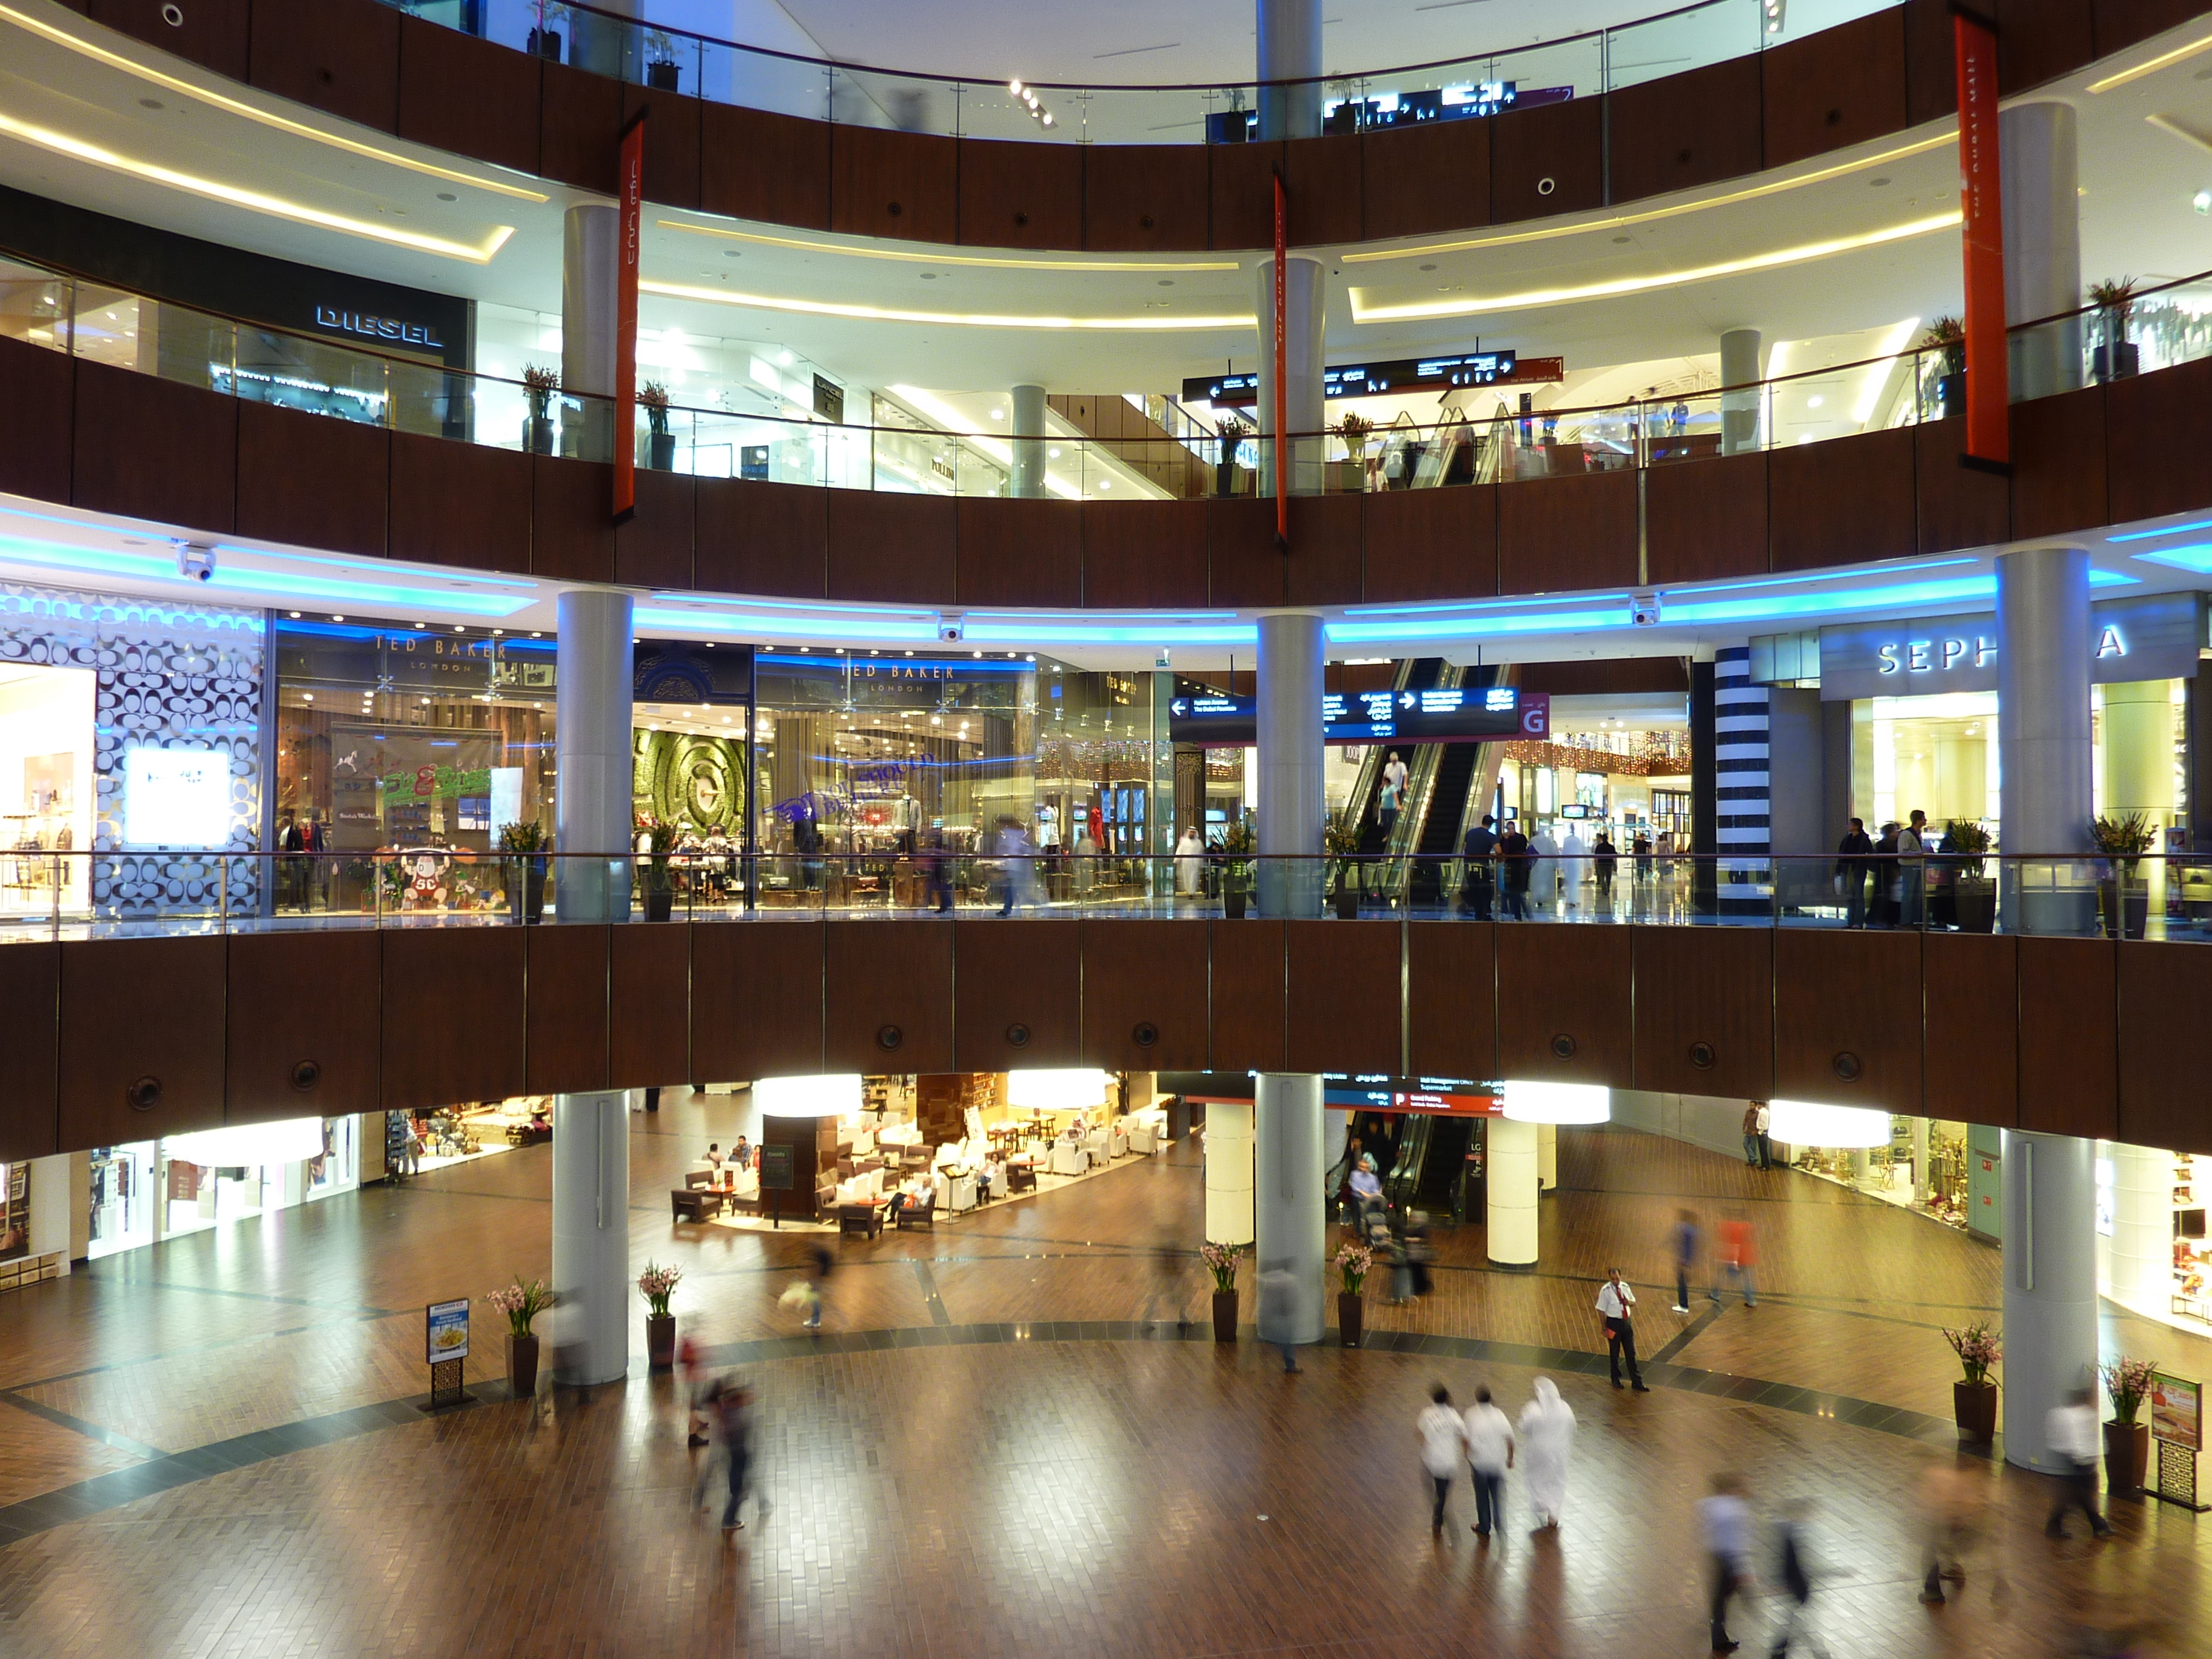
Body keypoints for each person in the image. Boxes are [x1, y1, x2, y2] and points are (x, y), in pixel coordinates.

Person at [2046, 1387, 2113, 1539]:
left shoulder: (2063, 1414)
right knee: (2080, 1496)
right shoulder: (2074, 1415)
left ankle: (2056, 1526)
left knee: (2078, 1497)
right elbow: (2078, 1440)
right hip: (2077, 1460)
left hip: (2079, 1460)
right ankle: (2097, 1525)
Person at [1770, 1497, 1829, 1658]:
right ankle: (1819, 1653)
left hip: (1798, 1585)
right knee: (1802, 1622)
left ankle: (1780, 1652)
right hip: (1798, 1586)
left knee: (1797, 1621)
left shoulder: (1789, 1532)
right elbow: (1792, 1562)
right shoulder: (1793, 1535)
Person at [1701, 1472, 1753, 1654]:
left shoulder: (1708, 1505)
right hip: (1731, 1558)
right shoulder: (1736, 1510)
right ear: (1731, 1489)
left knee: (1719, 1598)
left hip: (1716, 1554)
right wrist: (1742, 1569)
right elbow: (1737, 1542)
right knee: (1724, 1596)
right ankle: (1718, 1637)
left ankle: (1718, 1635)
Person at [1517, 1376, 1575, 1529]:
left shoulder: (1533, 1409)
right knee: (1557, 1481)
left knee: (1537, 1478)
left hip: (1538, 1453)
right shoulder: (1565, 1408)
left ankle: (1541, 1502)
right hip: (1560, 1453)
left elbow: (1523, 1427)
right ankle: (1554, 1513)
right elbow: (1572, 1426)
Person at [1463, 1383, 1515, 1541]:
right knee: (1498, 1494)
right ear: (1490, 1398)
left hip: (1479, 1463)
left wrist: (1467, 1454)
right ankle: (1500, 1523)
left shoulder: (1470, 1414)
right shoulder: (1499, 1414)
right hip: (1497, 1463)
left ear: (1477, 1398)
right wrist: (1510, 1458)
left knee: (1482, 1495)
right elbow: (1510, 1438)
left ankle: (1484, 1526)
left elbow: (1465, 1438)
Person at [1418, 1384, 1467, 1532]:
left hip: (1431, 1460)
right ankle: (1438, 1518)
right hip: (1449, 1462)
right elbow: (1465, 1437)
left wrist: (1426, 1443)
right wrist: (1466, 1453)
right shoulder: (1454, 1415)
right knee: (1443, 1491)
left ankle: (1437, 1513)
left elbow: (1419, 1432)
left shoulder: (1427, 1413)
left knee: (1430, 1484)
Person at [1596, 1267, 1648, 1391]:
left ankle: (1637, 1382)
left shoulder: (1625, 1287)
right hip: (1613, 1324)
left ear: (1621, 1277)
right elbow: (1601, 1310)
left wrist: (1628, 1302)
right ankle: (1616, 1379)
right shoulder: (1605, 1291)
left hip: (1626, 1323)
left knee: (1631, 1353)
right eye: (1613, 1279)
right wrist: (1604, 1328)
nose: (1615, 1281)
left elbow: (1633, 1302)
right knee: (1614, 1352)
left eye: (1617, 1279)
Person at [1256, 1261, 1300, 1373]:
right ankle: (1290, 1365)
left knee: (1283, 1342)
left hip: (1270, 1318)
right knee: (1286, 1342)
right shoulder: (1288, 1281)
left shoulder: (1270, 1281)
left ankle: (1288, 1364)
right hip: (1280, 1318)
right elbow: (1289, 1303)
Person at [1712, 1210, 1757, 1307]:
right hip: (1747, 1258)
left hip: (1734, 1258)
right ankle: (1751, 1300)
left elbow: (1722, 1234)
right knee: (1747, 1280)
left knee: (1725, 1276)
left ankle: (1715, 1294)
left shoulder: (1729, 1226)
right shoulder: (1749, 1227)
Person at [1834, 817, 1873, 928]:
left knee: (1858, 896)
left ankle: (1858, 922)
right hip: (1848, 869)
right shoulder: (1847, 838)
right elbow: (1841, 855)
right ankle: (1851, 921)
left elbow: (1869, 853)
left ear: (1856, 826)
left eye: (1850, 825)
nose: (1848, 826)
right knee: (1850, 896)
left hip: (1858, 869)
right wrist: (1839, 869)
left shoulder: (1863, 839)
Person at [1461, 814, 1498, 920]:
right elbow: (1499, 851)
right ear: (1491, 825)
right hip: (1482, 866)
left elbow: (1465, 848)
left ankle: (1478, 913)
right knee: (1486, 890)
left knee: (1474, 890)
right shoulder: (1491, 836)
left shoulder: (1470, 833)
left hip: (1468, 865)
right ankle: (1485, 913)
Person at [1898, 809, 1928, 929]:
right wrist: (1920, 853)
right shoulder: (1906, 834)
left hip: (1916, 867)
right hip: (1909, 867)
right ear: (1918, 820)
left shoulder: (1917, 834)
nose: (1925, 820)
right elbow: (1903, 852)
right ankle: (1906, 921)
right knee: (1909, 895)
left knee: (1916, 895)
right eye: (1923, 818)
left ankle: (1915, 920)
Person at [1496, 819, 1532, 919]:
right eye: (1509, 829)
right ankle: (1519, 914)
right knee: (1513, 893)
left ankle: (1523, 914)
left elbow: (1520, 849)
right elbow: (1505, 852)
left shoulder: (1521, 838)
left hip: (1520, 867)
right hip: (1511, 867)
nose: (1511, 831)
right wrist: (1506, 840)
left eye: (1512, 828)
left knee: (1519, 893)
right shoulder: (1505, 840)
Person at [1671, 1208, 1700, 1314]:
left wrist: (1681, 1261)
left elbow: (1681, 1245)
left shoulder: (1683, 1228)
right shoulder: (1694, 1229)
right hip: (1688, 1260)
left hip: (1684, 1260)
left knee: (1682, 1282)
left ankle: (1683, 1305)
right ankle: (1684, 1303)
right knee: (1683, 1281)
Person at [1529, 824, 1559, 914]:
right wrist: (1556, 865)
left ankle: (1537, 898)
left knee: (1536, 882)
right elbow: (1553, 853)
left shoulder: (1533, 840)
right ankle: (1541, 898)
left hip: (1536, 865)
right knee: (1544, 882)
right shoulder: (1548, 841)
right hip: (1546, 865)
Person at [1558, 823, 1587, 910]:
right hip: (1576, 863)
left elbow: (1564, 852)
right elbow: (1583, 850)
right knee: (1574, 882)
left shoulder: (1567, 840)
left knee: (1571, 882)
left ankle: (1571, 900)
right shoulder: (1577, 840)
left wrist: (1563, 866)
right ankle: (1573, 900)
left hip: (1569, 863)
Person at [1379, 751, 1408, 832]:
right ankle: (1387, 829)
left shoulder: (1401, 765)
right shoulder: (1388, 766)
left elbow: (1405, 774)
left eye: (1395, 760)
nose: (1394, 762)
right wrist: (1382, 784)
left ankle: (1393, 829)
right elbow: (1385, 776)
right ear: (1390, 759)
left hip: (1396, 788)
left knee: (1393, 810)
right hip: (1387, 787)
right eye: (1393, 760)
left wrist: (1405, 784)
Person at [1175, 825, 1205, 896]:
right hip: (1185, 862)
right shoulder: (1184, 841)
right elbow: (1180, 850)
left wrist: (1201, 863)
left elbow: (1200, 853)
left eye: (1193, 832)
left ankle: (1192, 892)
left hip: (1195, 862)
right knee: (1186, 877)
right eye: (1191, 832)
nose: (1192, 834)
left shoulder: (1198, 842)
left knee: (1193, 877)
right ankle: (1188, 891)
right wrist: (1176, 860)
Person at [1592, 829, 1618, 903]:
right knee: (1608, 877)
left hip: (1601, 864)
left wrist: (1596, 863)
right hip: (1609, 864)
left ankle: (1604, 890)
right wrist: (1615, 865)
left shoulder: (1599, 847)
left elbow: (1596, 856)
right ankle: (1608, 889)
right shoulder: (1611, 847)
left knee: (1602, 877)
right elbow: (1614, 857)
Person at [1754, 1102, 1774, 1170]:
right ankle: (1764, 1164)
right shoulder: (1764, 1112)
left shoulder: (1763, 1113)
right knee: (1762, 1150)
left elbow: (1763, 1124)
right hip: (1763, 1133)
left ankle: (1766, 1165)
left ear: (1761, 1105)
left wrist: (1760, 1131)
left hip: (1763, 1133)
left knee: (1763, 1150)